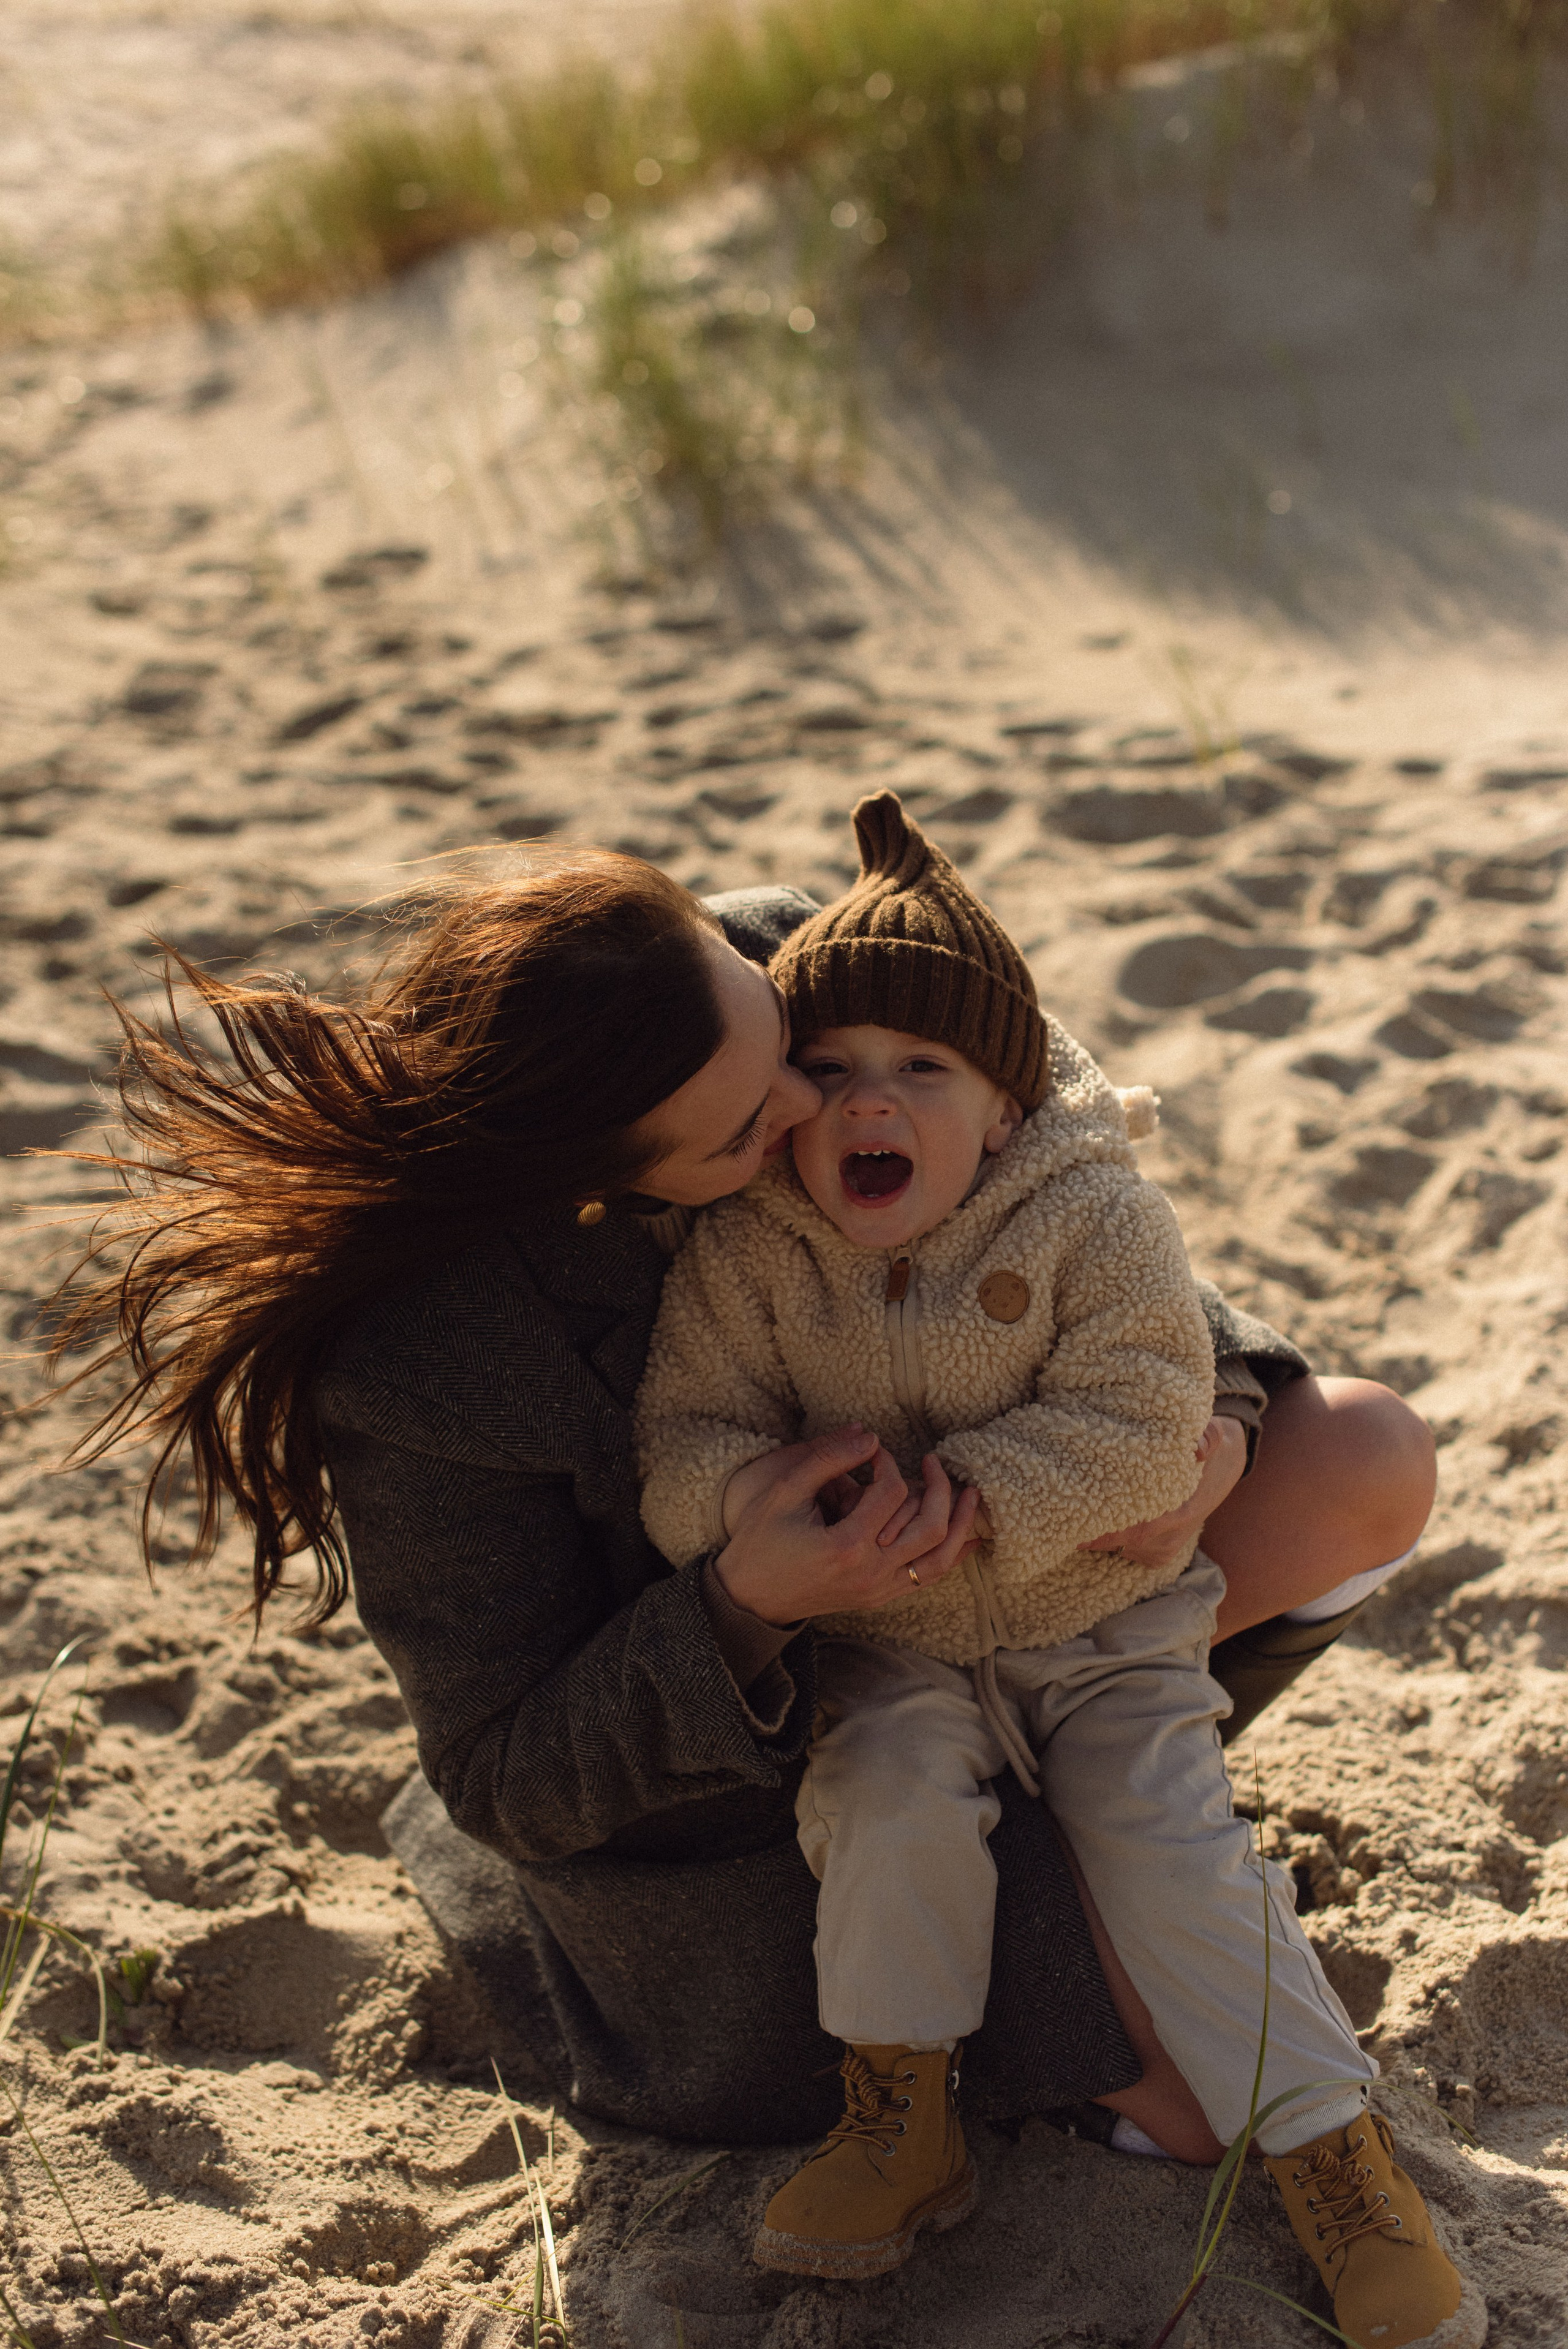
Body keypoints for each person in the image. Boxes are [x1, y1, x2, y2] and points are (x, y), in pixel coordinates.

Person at [45, 845, 1434, 2175]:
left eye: (776, 1036)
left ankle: (1076, 1800)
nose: (807, 1109)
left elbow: (1053, 1175)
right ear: (602, 1181)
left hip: (1018, 1588)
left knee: (1359, 1451)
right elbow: (511, 1774)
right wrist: (744, 1602)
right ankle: (1047, 1879)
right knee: (1212, 2117)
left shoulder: (780, 965)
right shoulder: (426, 1359)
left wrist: (1221, 1427)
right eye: (738, 1130)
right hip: (753, 1796)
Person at [633, 796, 1481, 2349]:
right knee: (879, 1805)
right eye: (827, 1069)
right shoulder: (749, 1253)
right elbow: (684, 1434)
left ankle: (1334, 2160)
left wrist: (987, 1493)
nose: (866, 1100)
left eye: (923, 1069)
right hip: (882, 1639)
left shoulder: (1092, 1212)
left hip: (1091, 1621)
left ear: (1005, 1109)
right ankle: (899, 2118)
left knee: (1168, 1848)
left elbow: (1150, 1403)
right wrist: (749, 1499)